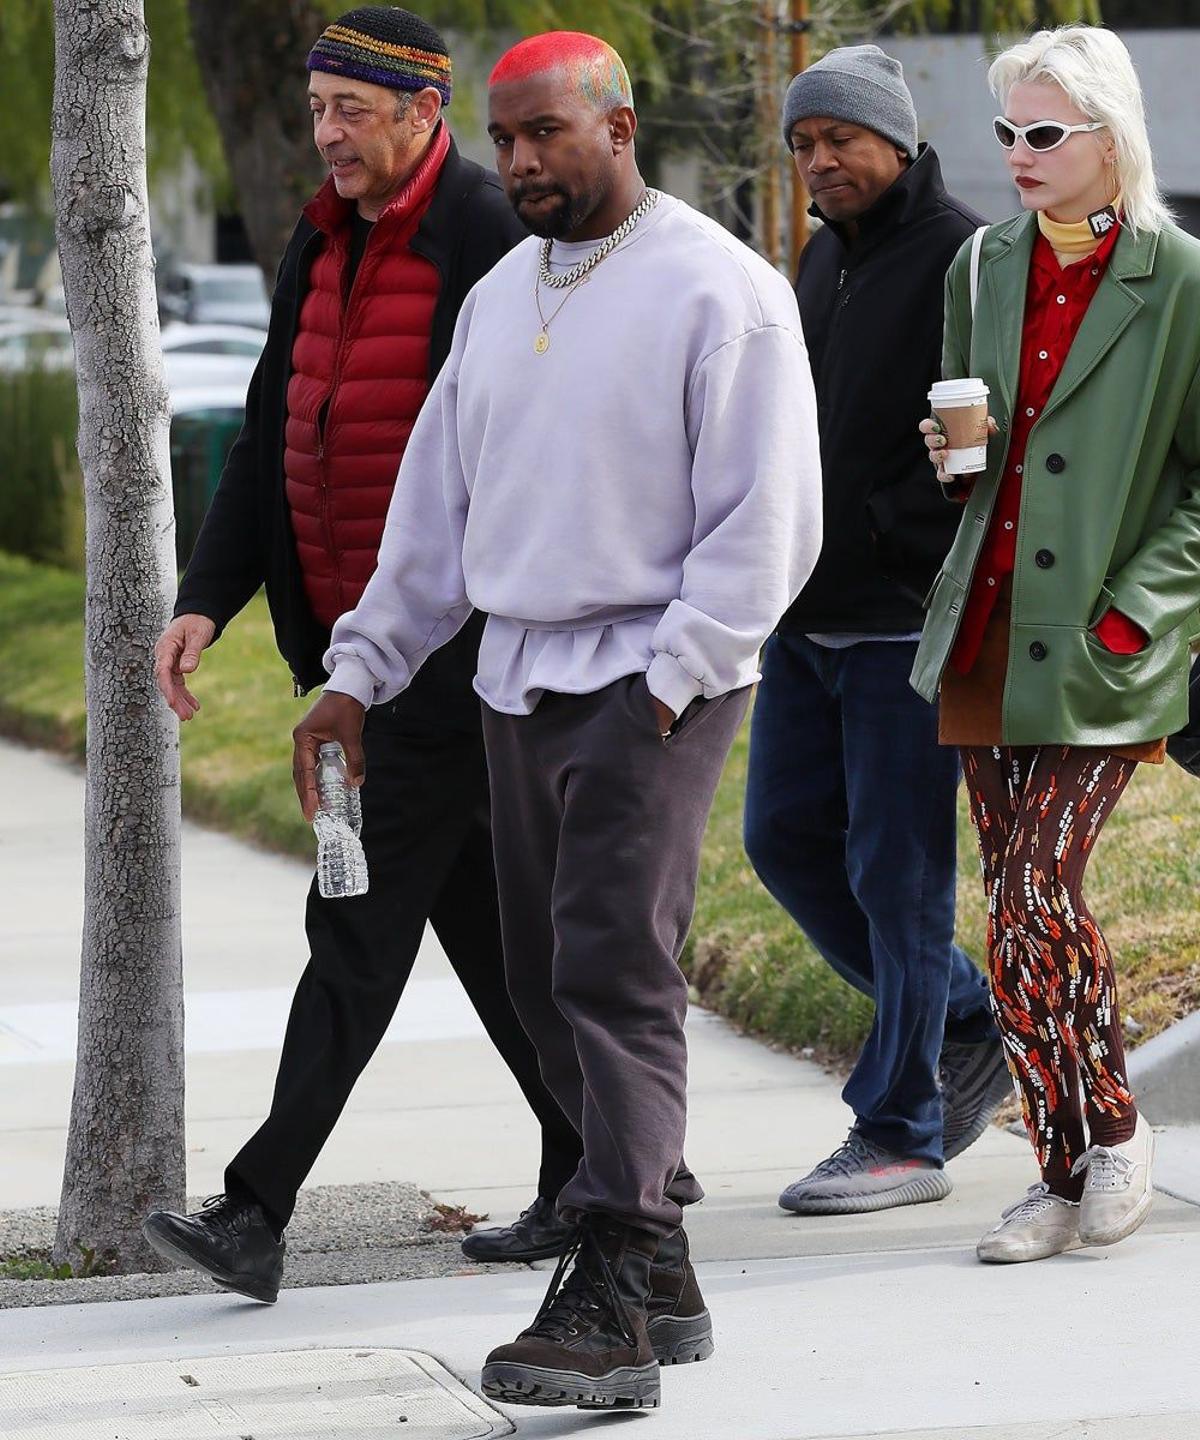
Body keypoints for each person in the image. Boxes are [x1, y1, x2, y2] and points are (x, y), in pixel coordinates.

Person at [290, 29, 822, 1411]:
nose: (521, 161)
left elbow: (765, 519)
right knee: (538, 980)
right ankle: (667, 1264)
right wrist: (361, 669)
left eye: (548, 135)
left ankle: (618, 1284)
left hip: (655, 679)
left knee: (609, 971)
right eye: (507, 139)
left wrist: (676, 672)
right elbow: (436, 512)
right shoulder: (506, 293)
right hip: (514, 676)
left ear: (620, 125)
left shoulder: (720, 288)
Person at [141, 6, 584, 1303]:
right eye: (318, 107)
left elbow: (525, 449)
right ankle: (601, 1166)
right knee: (492, 938)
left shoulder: (490, 237)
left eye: (352, 112)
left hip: (443, 664)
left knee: (351, 923)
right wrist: (206, 599)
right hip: (346, 657)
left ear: (421, 114)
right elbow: (278, 425)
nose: (325, 133)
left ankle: (254, 1208)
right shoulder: (319, 239)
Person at [916, 24, 1200, 1264]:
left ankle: (1118, 1130)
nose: (1019, 156)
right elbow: (971, 434)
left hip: (1101, 639)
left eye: (1044, 134)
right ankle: (1056, 1164)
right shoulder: (979, 266)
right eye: (1007, 135)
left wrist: (1140, 605)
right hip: (987, 625)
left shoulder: (1179, 277)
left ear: (1108, 139)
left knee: (1041, 886)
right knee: (1010, 914)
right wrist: (951, 462)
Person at [743, 45, 1009, 1219]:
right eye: (803, 144)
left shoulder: (964, 255)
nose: (817, 162)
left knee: (898, 877)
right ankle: (965, 1012)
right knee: (785, 842)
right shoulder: (821, 257)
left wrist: (906, 535)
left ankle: (900, 1131)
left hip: (904, 622)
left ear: (895, 138)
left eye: (838, 138)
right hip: (804, 617)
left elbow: (986, 435)